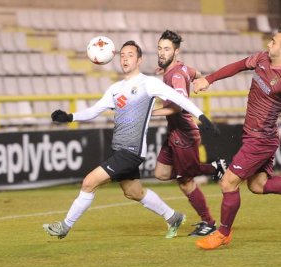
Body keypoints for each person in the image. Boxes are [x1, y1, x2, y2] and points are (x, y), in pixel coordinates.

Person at [42, 40, 219, 240]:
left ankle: (64, 226)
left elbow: (179, 99)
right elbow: (94, 111)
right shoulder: (115, 89)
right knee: (133, 192)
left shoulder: (148, 83)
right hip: (119, 149)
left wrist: (202, 117)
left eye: (130, 55)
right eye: (122, 55)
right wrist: (70, 117)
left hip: (131, 151)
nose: (125, 58)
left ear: (139, 60)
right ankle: (173, 217)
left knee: (89, 182)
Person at [193, 31, 281, 249]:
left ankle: (223, 233)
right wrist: (209, 79)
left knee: (228, 182)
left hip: (261, 139)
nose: (269, 43)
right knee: (258, 186)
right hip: (253, 135)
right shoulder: (262, 58)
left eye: (274, 41)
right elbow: (239, 65)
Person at [151, 30, 227, 236]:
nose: (161, 52)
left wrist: (149, 113)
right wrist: (199, 81)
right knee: (161, 173)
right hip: (174, 132)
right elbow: (195, 73)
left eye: (166, 49)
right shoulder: (180, 68)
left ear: (176, 51)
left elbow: (176, 107)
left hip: (183, 134)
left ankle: (209, 223)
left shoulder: (175, 75)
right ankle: (214, 168)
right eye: (159, 48)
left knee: (185, 181)